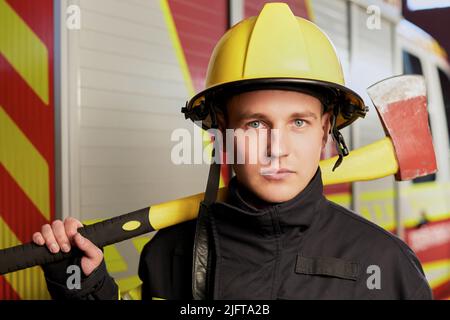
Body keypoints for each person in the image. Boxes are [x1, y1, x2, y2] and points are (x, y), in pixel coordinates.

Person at [32, 3, 432, 300]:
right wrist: (82, 284)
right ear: (222, 130)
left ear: (326, 130)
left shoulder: (387, 267)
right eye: (256, 123)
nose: (278, 149)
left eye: (299, 122)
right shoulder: (169, 253)